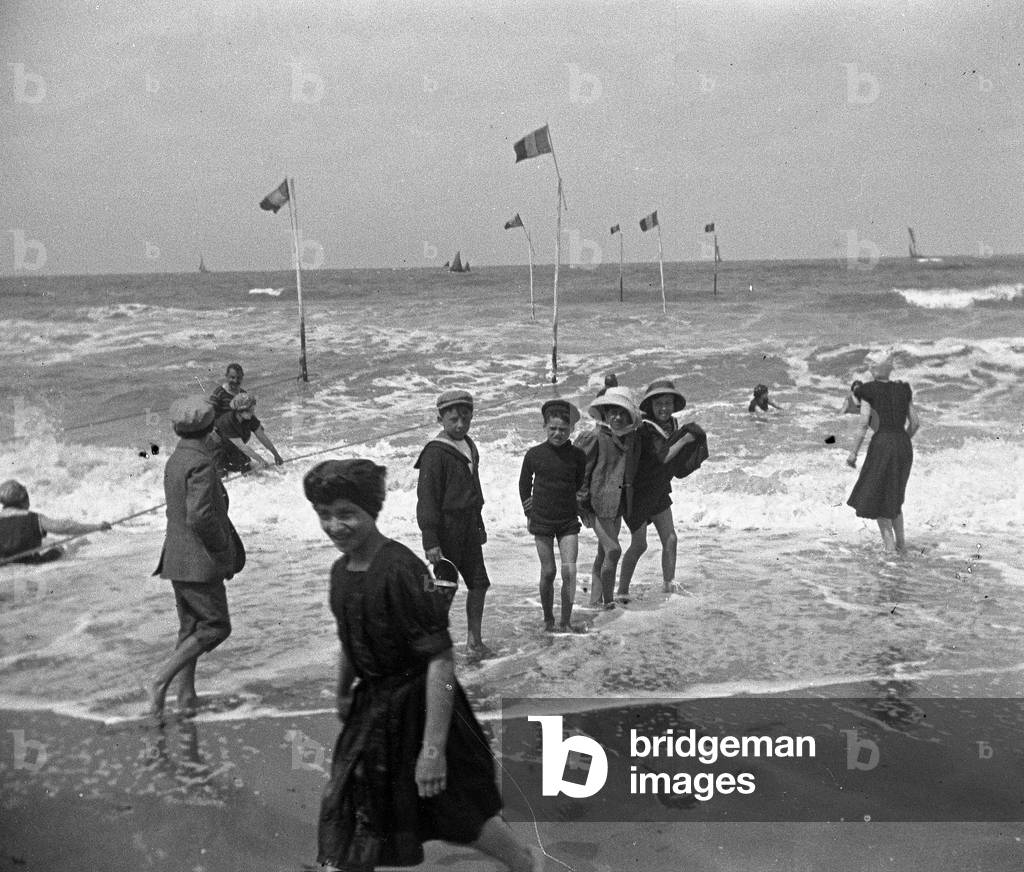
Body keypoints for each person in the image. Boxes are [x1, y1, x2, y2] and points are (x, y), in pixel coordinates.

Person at [304, 459, 541, 872]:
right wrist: (343, 691)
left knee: (459, 808)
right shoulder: (341, 572)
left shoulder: (400, 569)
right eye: (324, 515)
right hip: (374, 708)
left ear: (371, 510)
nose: (335, 526)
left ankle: (523, 863)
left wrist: (432, 749)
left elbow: (441, 660)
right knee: (355, 798)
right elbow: (349, 636)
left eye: (346, 514)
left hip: (424, 708)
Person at [149, 396, 245, 722]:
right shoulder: (202, 464)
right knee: (216, 626)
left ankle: (186, 695)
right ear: (211, 427)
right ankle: (161, 680)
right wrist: (223, 551)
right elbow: (201, 517)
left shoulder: (175, 460)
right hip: (199, 561)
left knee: (189, 627)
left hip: (175, 557)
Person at [415, 389, 491, 656]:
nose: (460, 425)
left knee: (479, 584)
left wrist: (479, 523)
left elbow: (474, 489)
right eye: (453, 419)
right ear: (440, 419)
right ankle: (429, 646)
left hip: (469, 527)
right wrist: (430, 539)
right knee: (442, 588)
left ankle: (474, 642)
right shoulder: (434, 452)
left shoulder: (469, 445)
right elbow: (427, 497)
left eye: (465, 418)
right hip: (446, 530)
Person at [618, 380, 709, 598]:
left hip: (658, 490)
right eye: (659, 404)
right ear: (650, 406)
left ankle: (668, 586)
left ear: (674, 405)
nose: (664, 408)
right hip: (637, 493)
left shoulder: (672, 425)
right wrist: (685, 440)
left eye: (668, 403)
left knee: (671, 539)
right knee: (639, 545)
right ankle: (622, 591)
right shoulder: (645, 428)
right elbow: (663, 457)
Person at [518, 399, 587, 632]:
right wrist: (529, 512)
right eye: (553, 428)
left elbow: (578, 482)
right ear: (545, 426)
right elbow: (524, 484)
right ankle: (548, 620)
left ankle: (565, 622)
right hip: (542, 520)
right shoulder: (534, 454)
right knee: (548, 572)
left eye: (563, 429)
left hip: (568, 521)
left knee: (570, 571)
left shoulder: (578, 455)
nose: (558, 433)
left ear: (572, 429)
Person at [576, 386, 642, 608]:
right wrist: (582, 507)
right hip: (596, 505)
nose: (618, 417)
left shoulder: (630, 439)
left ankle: (595, 601)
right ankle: (608, 602)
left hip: (617, 506)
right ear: (605, 414)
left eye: (624, 413)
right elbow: (580, 474)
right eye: (613, 412)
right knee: (614, 550)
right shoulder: (594, 437)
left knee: (603, 553)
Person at [846, 359, 920, 551]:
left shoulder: (867, 390)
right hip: (903, 444)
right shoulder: (904, 389)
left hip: (882, 444)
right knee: (894, 497)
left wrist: (853, 453)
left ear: (872, 369)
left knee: (878, 496)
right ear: (890, 369)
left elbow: (863, 424)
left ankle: (890, 548)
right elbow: (915, 423)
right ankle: (901, 545)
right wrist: (901, 441)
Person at [0, 479, 111, 564]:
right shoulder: (35, 518)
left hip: (4, 565)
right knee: (59, 547)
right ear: (24, 499)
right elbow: (65, 527)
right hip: (31, 563)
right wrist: (97, 527)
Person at [211, 391, 284, 474]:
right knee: (222, 474)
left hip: (233, 448)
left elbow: (263, 438)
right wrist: (261, 460)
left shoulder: (250, 418)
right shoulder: (227, 422)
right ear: (240, 411)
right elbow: (243, 447)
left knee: (246, 468)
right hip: (215, 450)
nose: (253, 412)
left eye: (253, 409)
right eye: (250, 410)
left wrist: (276, 455)